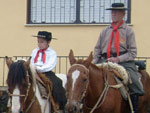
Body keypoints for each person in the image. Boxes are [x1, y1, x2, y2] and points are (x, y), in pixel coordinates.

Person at [93, 3, 144, 113]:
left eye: (117, 11)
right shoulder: (105, 31)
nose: (114, 13)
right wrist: (93, 64)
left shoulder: (128, 31)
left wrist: (118, 59)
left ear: (123, 14)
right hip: (104, 60)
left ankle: (133, 109)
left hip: (123, 62)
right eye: (112, 11)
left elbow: (133, 52)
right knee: (89, 78)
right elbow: (97, 49)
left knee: (134, 82)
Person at [30, 31, 67, 112]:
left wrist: (39, 68)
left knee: (57, 82)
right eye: (38, 41)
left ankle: (58, 104)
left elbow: (50, 65)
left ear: (48, 42)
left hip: (46, 72)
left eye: (42, 42)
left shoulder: (52, 53)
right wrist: (32, 67)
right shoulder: (34, 51)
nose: (39, 44)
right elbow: (31, 61)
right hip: (33, 71)